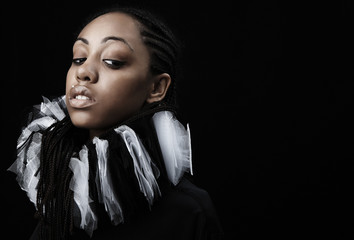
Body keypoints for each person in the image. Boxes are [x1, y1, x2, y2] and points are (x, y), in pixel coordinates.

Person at [8, 5, 224, 240]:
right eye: (79, 58)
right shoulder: (57, 197)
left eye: (112, 61)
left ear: (156, 87)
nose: (84, 72)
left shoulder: (187, 211)